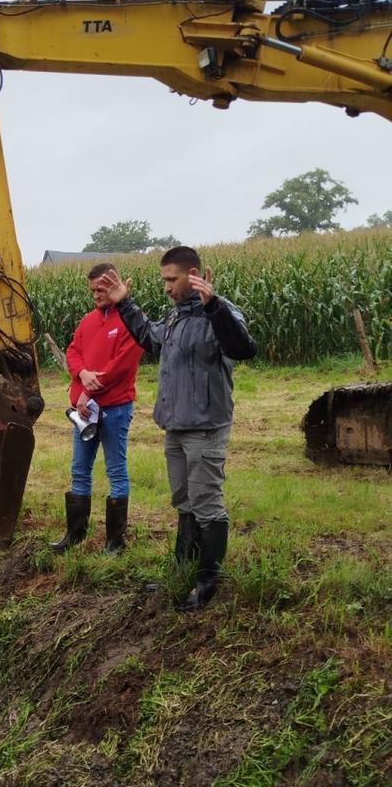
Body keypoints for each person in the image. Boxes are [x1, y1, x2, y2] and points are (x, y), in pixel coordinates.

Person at [100, 246, 257, 609]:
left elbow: (244, 348)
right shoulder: (174, 319)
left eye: (172, 279)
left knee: (207, 503)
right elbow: (149, 339)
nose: (167, 287)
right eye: (164, 280)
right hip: (176, 427)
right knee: (185, 502)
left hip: (205, 428)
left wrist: (214, 305)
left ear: (194, 274)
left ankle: (207, 581)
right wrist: (125, 304)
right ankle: (183, 566)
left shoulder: (220, 313)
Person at [51, 262, 144, 556]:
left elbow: (121, 366)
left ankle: (115, 543)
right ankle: (75, 535)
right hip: (85, 412)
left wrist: (89, 387)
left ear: (115, 285)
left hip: (115, 409)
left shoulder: (131, 322)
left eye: (101, 290)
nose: (96, 296)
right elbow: (72, 351)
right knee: (79, 470)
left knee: (116, 471)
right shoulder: (88, 321)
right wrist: (80, 374)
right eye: (93, 291)